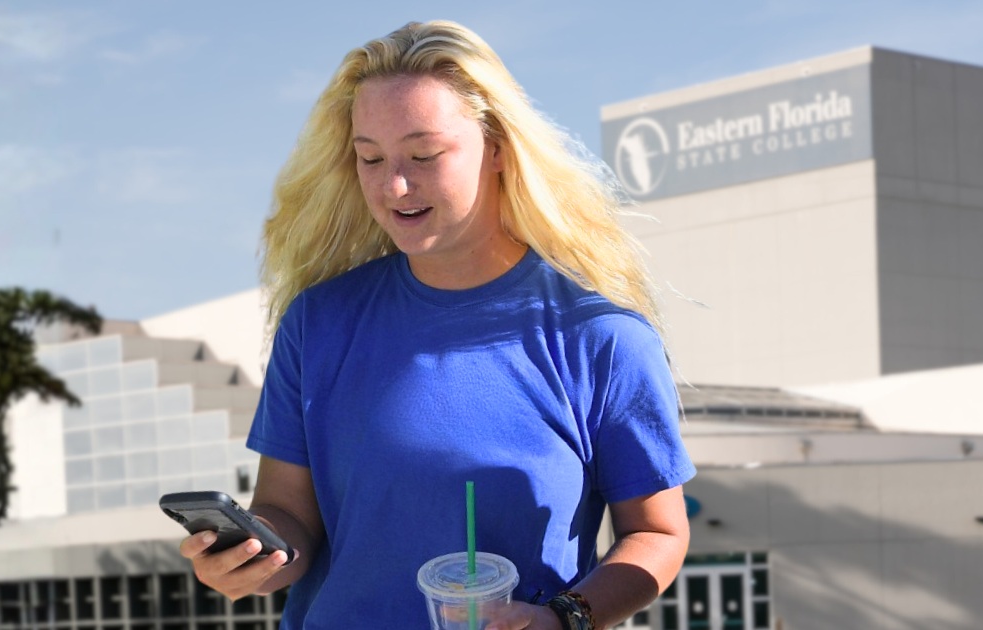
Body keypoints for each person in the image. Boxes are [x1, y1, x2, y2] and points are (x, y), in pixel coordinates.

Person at [180, 19, 696, 630]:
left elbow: (658, 533)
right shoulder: (318, 323)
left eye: (424, 154)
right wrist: (255, 554)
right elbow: (288, 515)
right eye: (370, 157)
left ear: (498, 147)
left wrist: (568, 617)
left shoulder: (600, 338)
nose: (395, 185)